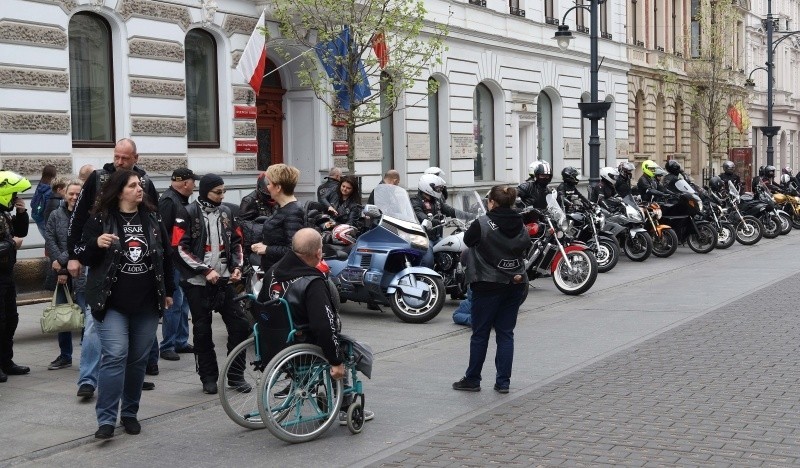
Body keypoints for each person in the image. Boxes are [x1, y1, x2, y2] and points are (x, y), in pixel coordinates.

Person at [75, 169, 174, 439]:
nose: (139, 189)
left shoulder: (151, 218)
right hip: (111, 302)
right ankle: (106, 419)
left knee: (137, 360)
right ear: (119, 191)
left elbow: (166, 255)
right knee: (116, 355)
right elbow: (81, 253)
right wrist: (96, 243)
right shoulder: (101, 218)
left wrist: (168, 291)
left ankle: (129, 413)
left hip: (146, 302)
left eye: (139, 185)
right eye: (132, 186)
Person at [67, 138, 159, 391]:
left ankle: (131, 378)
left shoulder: (145, 183)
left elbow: (156, 222)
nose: (119, 162)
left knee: (134, 330)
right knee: (96, 321)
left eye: (125, 158)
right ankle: (88, 378)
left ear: (136, 158)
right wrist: (72, 255)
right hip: (99, 256)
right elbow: (77, 219)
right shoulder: (97, 179)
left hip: (135, 264)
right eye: (116, 156)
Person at [263, 228, 374, 424]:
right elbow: (324, 326)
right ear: (318, 253)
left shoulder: (272, 272)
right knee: (347, 348)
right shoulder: (313, 281)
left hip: (271, 344)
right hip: (301, 344)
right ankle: (346, 405)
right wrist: (336, 361)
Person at [172, 174, 250, 395]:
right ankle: (208, 378)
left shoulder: (227, 212)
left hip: (225, 280)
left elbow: (236, 242)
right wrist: (205, 270)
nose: (222, 196)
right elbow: (179, 247)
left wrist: (237, 267)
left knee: (240, 326)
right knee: (203, 331)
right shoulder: (186, 213)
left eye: (223, 191)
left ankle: (236, 375)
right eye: (218, 192)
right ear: (205, 191)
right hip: (198, 284)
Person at [452, 185, 529, 394]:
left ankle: (473, 379)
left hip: (487, 284)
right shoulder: (519, 222)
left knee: (480, 334)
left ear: (492, 203)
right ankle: (503, 382)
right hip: (515, 282)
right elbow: (525, 245)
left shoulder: (482, 223)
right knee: (506, 333)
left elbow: (467, 241)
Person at [156, 168, 197, 362]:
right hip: (173, 260)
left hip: (182, 259)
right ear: (185, 183)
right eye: (193, 182)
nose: (194, 186)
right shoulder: (168, 201)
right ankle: (168, 345)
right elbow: (162, 233)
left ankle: (180, 341)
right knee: (174, 302)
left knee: (184, 302)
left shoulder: (178, 200)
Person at [43, 179, 84, 372]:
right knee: (63, 315)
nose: (74, 197)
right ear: (64, 194)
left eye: (78, 194)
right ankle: (65, 355)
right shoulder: (55, 215)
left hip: (80, 273)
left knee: (86, 315)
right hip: (60, 273)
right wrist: (60, 267)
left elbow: (78, 242)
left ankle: (88, 354)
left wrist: (62, 263)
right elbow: (49, 238)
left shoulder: (86, 215)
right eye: (71, 193)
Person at [0, 171, 31, 383]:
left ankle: (6, 362)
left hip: (6, 274)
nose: (15, 198)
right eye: (13, 195)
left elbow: (21, 232)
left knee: (11, 319)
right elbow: (13, 241)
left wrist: (21, 213)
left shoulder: (4, 214)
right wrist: (12, 244)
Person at [251, 164, 305, 273]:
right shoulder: (282, 207)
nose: (267, 187)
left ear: (278, 187)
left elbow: (294, 250)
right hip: (274, 270)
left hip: (282, 273)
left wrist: (266, 249)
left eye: (269, 183)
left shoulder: (293, 211)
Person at [411, 174, 461, 242]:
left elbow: (449, 210)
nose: (439, 190)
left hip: (437, 237)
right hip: (424, 240)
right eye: (437, 188)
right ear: (427, 187)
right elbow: (419, 214)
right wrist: (433, 221)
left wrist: (467, 215)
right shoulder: (415, 201)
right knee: (429, 252)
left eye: (439, 188)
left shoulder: (436, 199)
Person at [31, 164, 57, 238]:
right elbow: (49, 209)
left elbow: (33, 202)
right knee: (51, 241)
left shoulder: (40, 185)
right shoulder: (50, 189)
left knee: (48, 242)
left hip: (37, 216)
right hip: (44, 219)